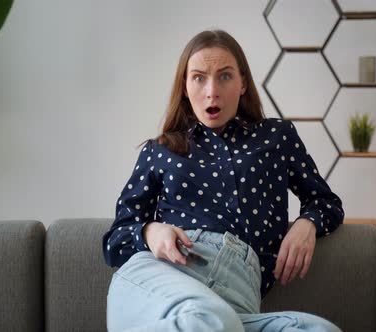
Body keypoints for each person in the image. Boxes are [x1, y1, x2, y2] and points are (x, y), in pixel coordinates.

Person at [102, 29, 344, 332]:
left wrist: (307, 223)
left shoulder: (277, 138)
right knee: (210, 319)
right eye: (199, 77)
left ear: (243, 83)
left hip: (237, 303)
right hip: (165, 275)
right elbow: (116, 240)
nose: (211, 91)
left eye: (225, 76)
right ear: (185, 87)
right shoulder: (160, 150)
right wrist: (151, 231)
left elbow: (326, 203)